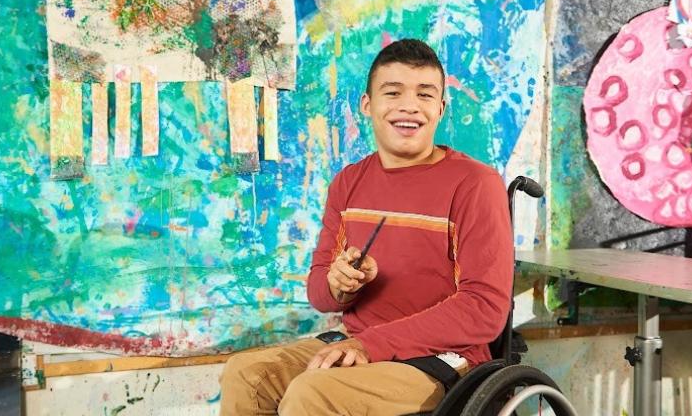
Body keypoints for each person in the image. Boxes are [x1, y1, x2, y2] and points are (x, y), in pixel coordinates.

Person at [219, 39, 513, 415]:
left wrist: (369, 345)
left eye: (425, 94)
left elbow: (484, 309)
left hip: (441, 358)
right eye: (393, 92)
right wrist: (339, 286)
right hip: (358, 341)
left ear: (440, 109)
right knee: (246, 375)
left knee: (312, 393)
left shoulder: (474, 183)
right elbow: (319, 293)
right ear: (367, 105)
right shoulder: (349, 182)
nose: (409, 105)